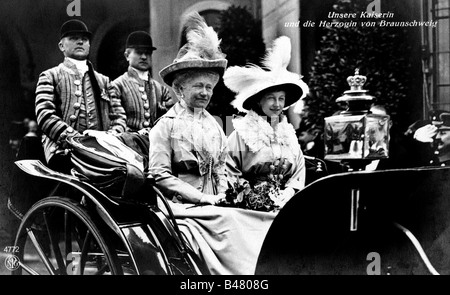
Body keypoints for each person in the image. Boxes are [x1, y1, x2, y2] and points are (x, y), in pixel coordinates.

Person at [148, 12, 275, 275]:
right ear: (179, 89)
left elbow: (223, 169)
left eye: (209, 86)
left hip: (214, 202)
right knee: (230, 221)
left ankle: (260, 272)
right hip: (180, 207)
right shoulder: (166, 126)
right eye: (198, 86)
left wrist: (234, 195)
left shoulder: (214, 126)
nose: (205, 92)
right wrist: (204, 198)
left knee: (257, 217)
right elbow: (160, 175)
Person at [223, 36, 308, 208]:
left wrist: (290, 192)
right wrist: (251, 195)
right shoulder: (242, 133)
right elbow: (229, 170)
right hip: (251, 205)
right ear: (258, 101)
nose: (277, 104)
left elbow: (299, 169)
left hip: (287, 203)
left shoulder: (288, 134)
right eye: (271, 98)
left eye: (281, 99)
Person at [35, 19, 126, 173]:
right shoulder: (50, 76)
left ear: (89, 45)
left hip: (103, 151)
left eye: (84, 39)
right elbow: (44, 115)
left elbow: (119, 117)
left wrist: (109, 139)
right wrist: (74, 140)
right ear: (61, 46)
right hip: (63, 151)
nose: (80, 42)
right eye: (73, 38)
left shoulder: (104, 81)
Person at [111, 31, 176, 133]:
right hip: (128, 143)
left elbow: (172, 121)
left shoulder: (161, 89)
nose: (144, 57)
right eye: (139, 52)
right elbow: (117, 121)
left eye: (148, 53)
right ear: (127, 55)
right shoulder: (117, 86)